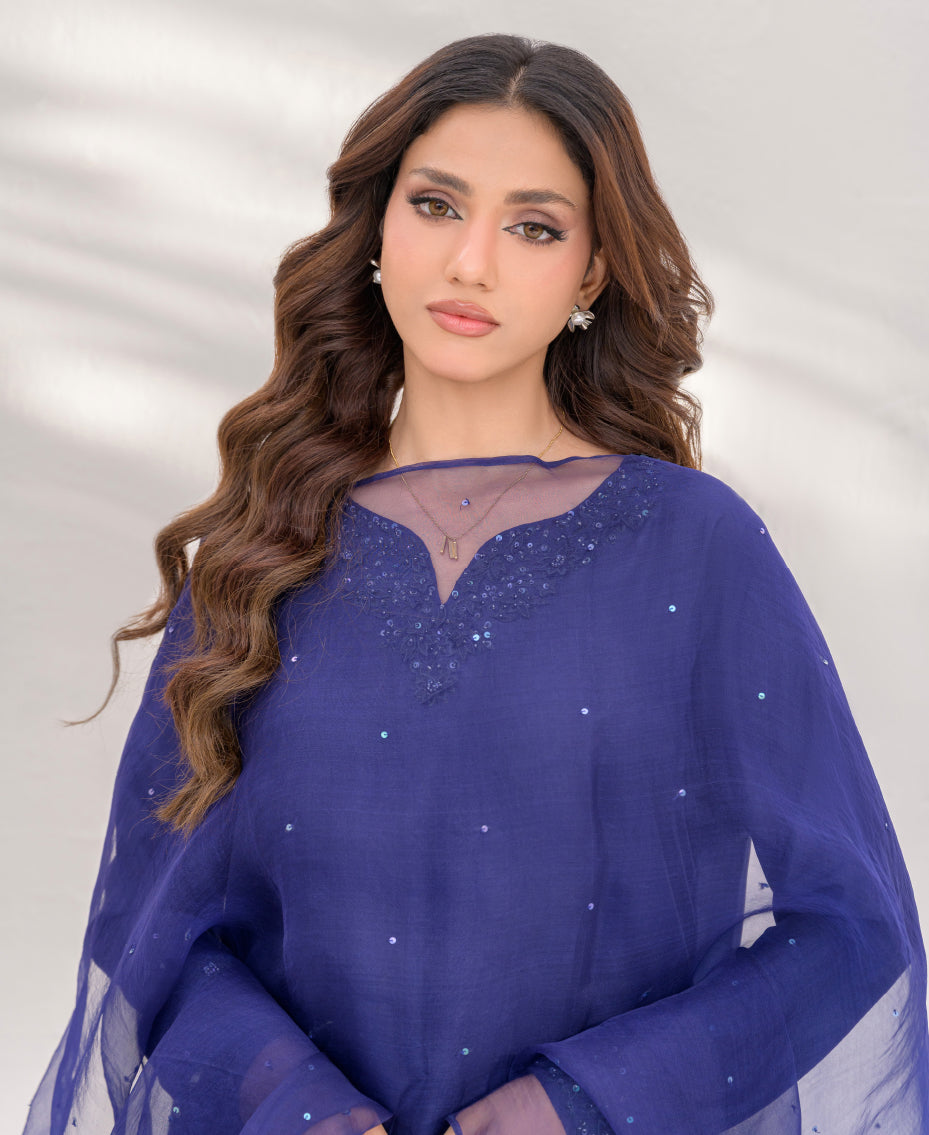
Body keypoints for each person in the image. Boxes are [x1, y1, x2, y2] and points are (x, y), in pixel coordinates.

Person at [23, 32, 928, 1135]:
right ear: (376, 231)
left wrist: (570, 1105)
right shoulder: (267, 548)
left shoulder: (696, 548)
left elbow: (848, 930)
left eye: (532, 226)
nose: (470, 262)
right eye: (436, 206)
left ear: (591, 271)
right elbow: (153, 933)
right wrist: (303, 1108)